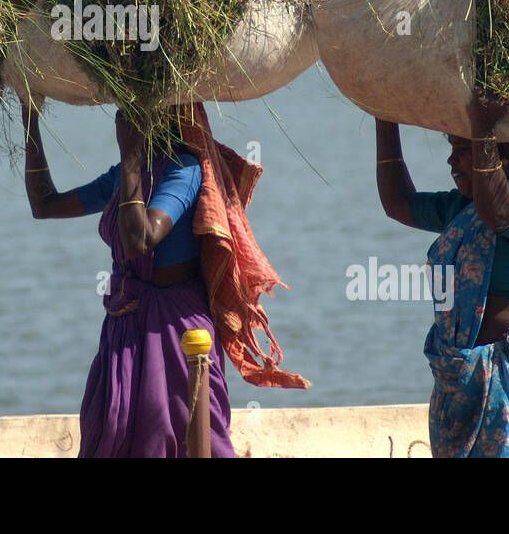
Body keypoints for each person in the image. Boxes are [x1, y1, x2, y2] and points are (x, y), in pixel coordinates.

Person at [21, 98, 308, 458]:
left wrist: (129, 157)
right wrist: (30, 118)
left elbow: (140, 239)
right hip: (126, 326)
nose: (123, 117)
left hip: (176, 329)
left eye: (134, 111)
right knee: (112, 426)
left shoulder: (184, 171)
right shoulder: (125, 176)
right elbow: (44, 205)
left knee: (181, 433)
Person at [373, 89, 509, 458]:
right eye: (453, 149)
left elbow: (499, 215)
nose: (452, 161)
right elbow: (396, 203)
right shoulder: (461, 207)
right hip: (466, 370)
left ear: (498, 155)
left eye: (462, 150)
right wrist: (384, 118)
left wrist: (483, 129)